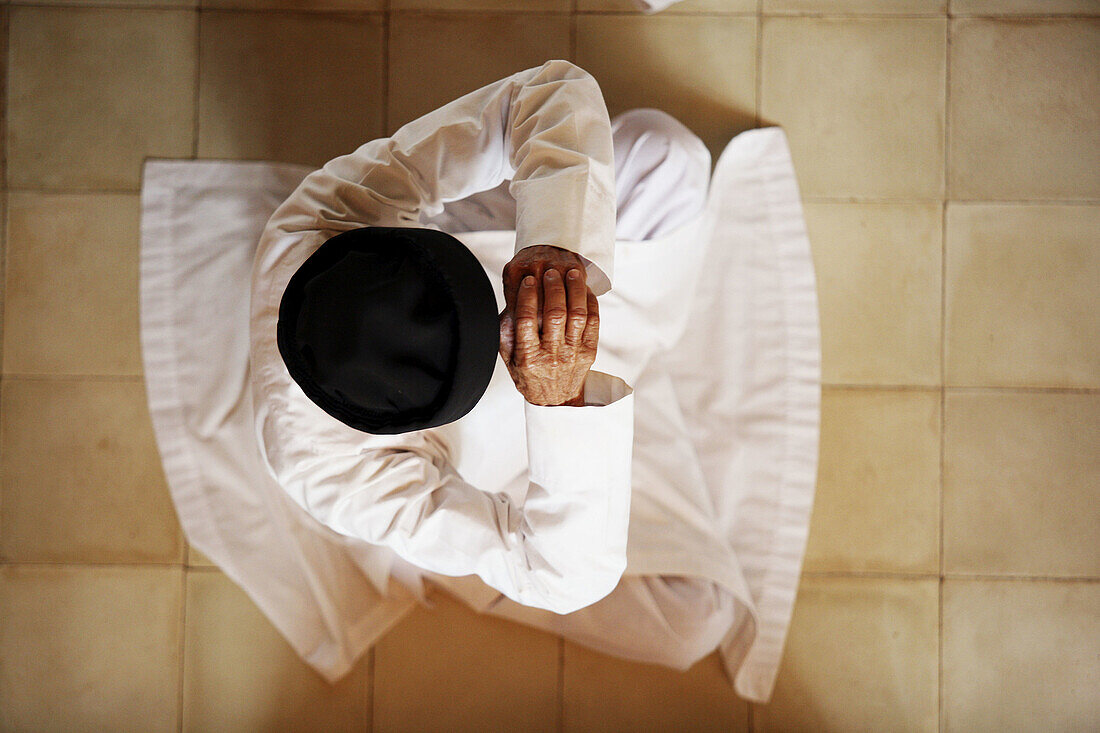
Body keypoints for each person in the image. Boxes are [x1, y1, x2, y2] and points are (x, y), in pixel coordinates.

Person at [141, 57, 820, 705]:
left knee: (670, 155)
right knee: (691, 622)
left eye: (498, 322)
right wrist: (559, 404)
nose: (506, 335)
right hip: (498, 459)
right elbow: (563, 573)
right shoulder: (332, 472)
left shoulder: (322, 217)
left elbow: (548, 92)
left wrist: (550, 248)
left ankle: (561, 296)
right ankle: (498, 518)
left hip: (480, 239)